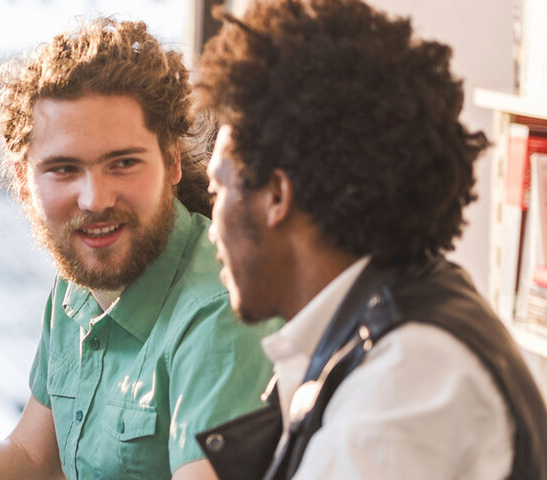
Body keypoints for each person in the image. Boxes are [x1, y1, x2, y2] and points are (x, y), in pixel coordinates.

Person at [0, 18, 279, 480]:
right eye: (64, 169)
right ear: (24, 183)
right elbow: (34, 454)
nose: (95, 200)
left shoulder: (221, 311)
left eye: (123, 163)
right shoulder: (81, 277)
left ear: (173, 161)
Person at [191, 0, 547, 478]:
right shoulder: (401, 316)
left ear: (276, 195)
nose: (212, 225)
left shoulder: (402, 388)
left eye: (218, 190)